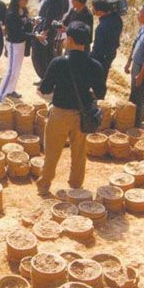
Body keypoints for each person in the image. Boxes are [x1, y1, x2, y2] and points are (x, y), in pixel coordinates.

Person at [36, 22, 106, 196]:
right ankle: (76, 186)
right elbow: (101, 92)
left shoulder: (59, 62)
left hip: (60, 113)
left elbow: (44, 89)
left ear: (71, 39)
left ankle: (44, 185)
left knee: (52, 151)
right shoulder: (95, 65)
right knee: (79, 152)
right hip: (83, 115)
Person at [31, 0, 68, 81]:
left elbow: (49, 17)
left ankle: (46, 79)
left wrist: (45, 31)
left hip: (46, 29)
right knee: (49, 53)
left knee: (39, 55)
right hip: (54, 27)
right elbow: (65, 8)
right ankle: (52, 78)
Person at [0, 0, 32, 102]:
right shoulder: (11, 13)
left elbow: (26, 25)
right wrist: (33, 35)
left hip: (21, 43)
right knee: (11, 69)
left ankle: (11, 90)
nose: (26, 2)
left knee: (17, 68)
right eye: (24, 0)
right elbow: (16, 31)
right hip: (14, 43)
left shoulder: (24, 10)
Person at [90, 0, 123, 84]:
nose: (92, 10)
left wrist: (89, 58)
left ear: (99, 11)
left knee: (96, 79)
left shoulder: (102, 27)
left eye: (93, 8)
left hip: (101, 57)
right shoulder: (117, 19)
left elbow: (97, 49)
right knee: (102, 77)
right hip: (110, 54)